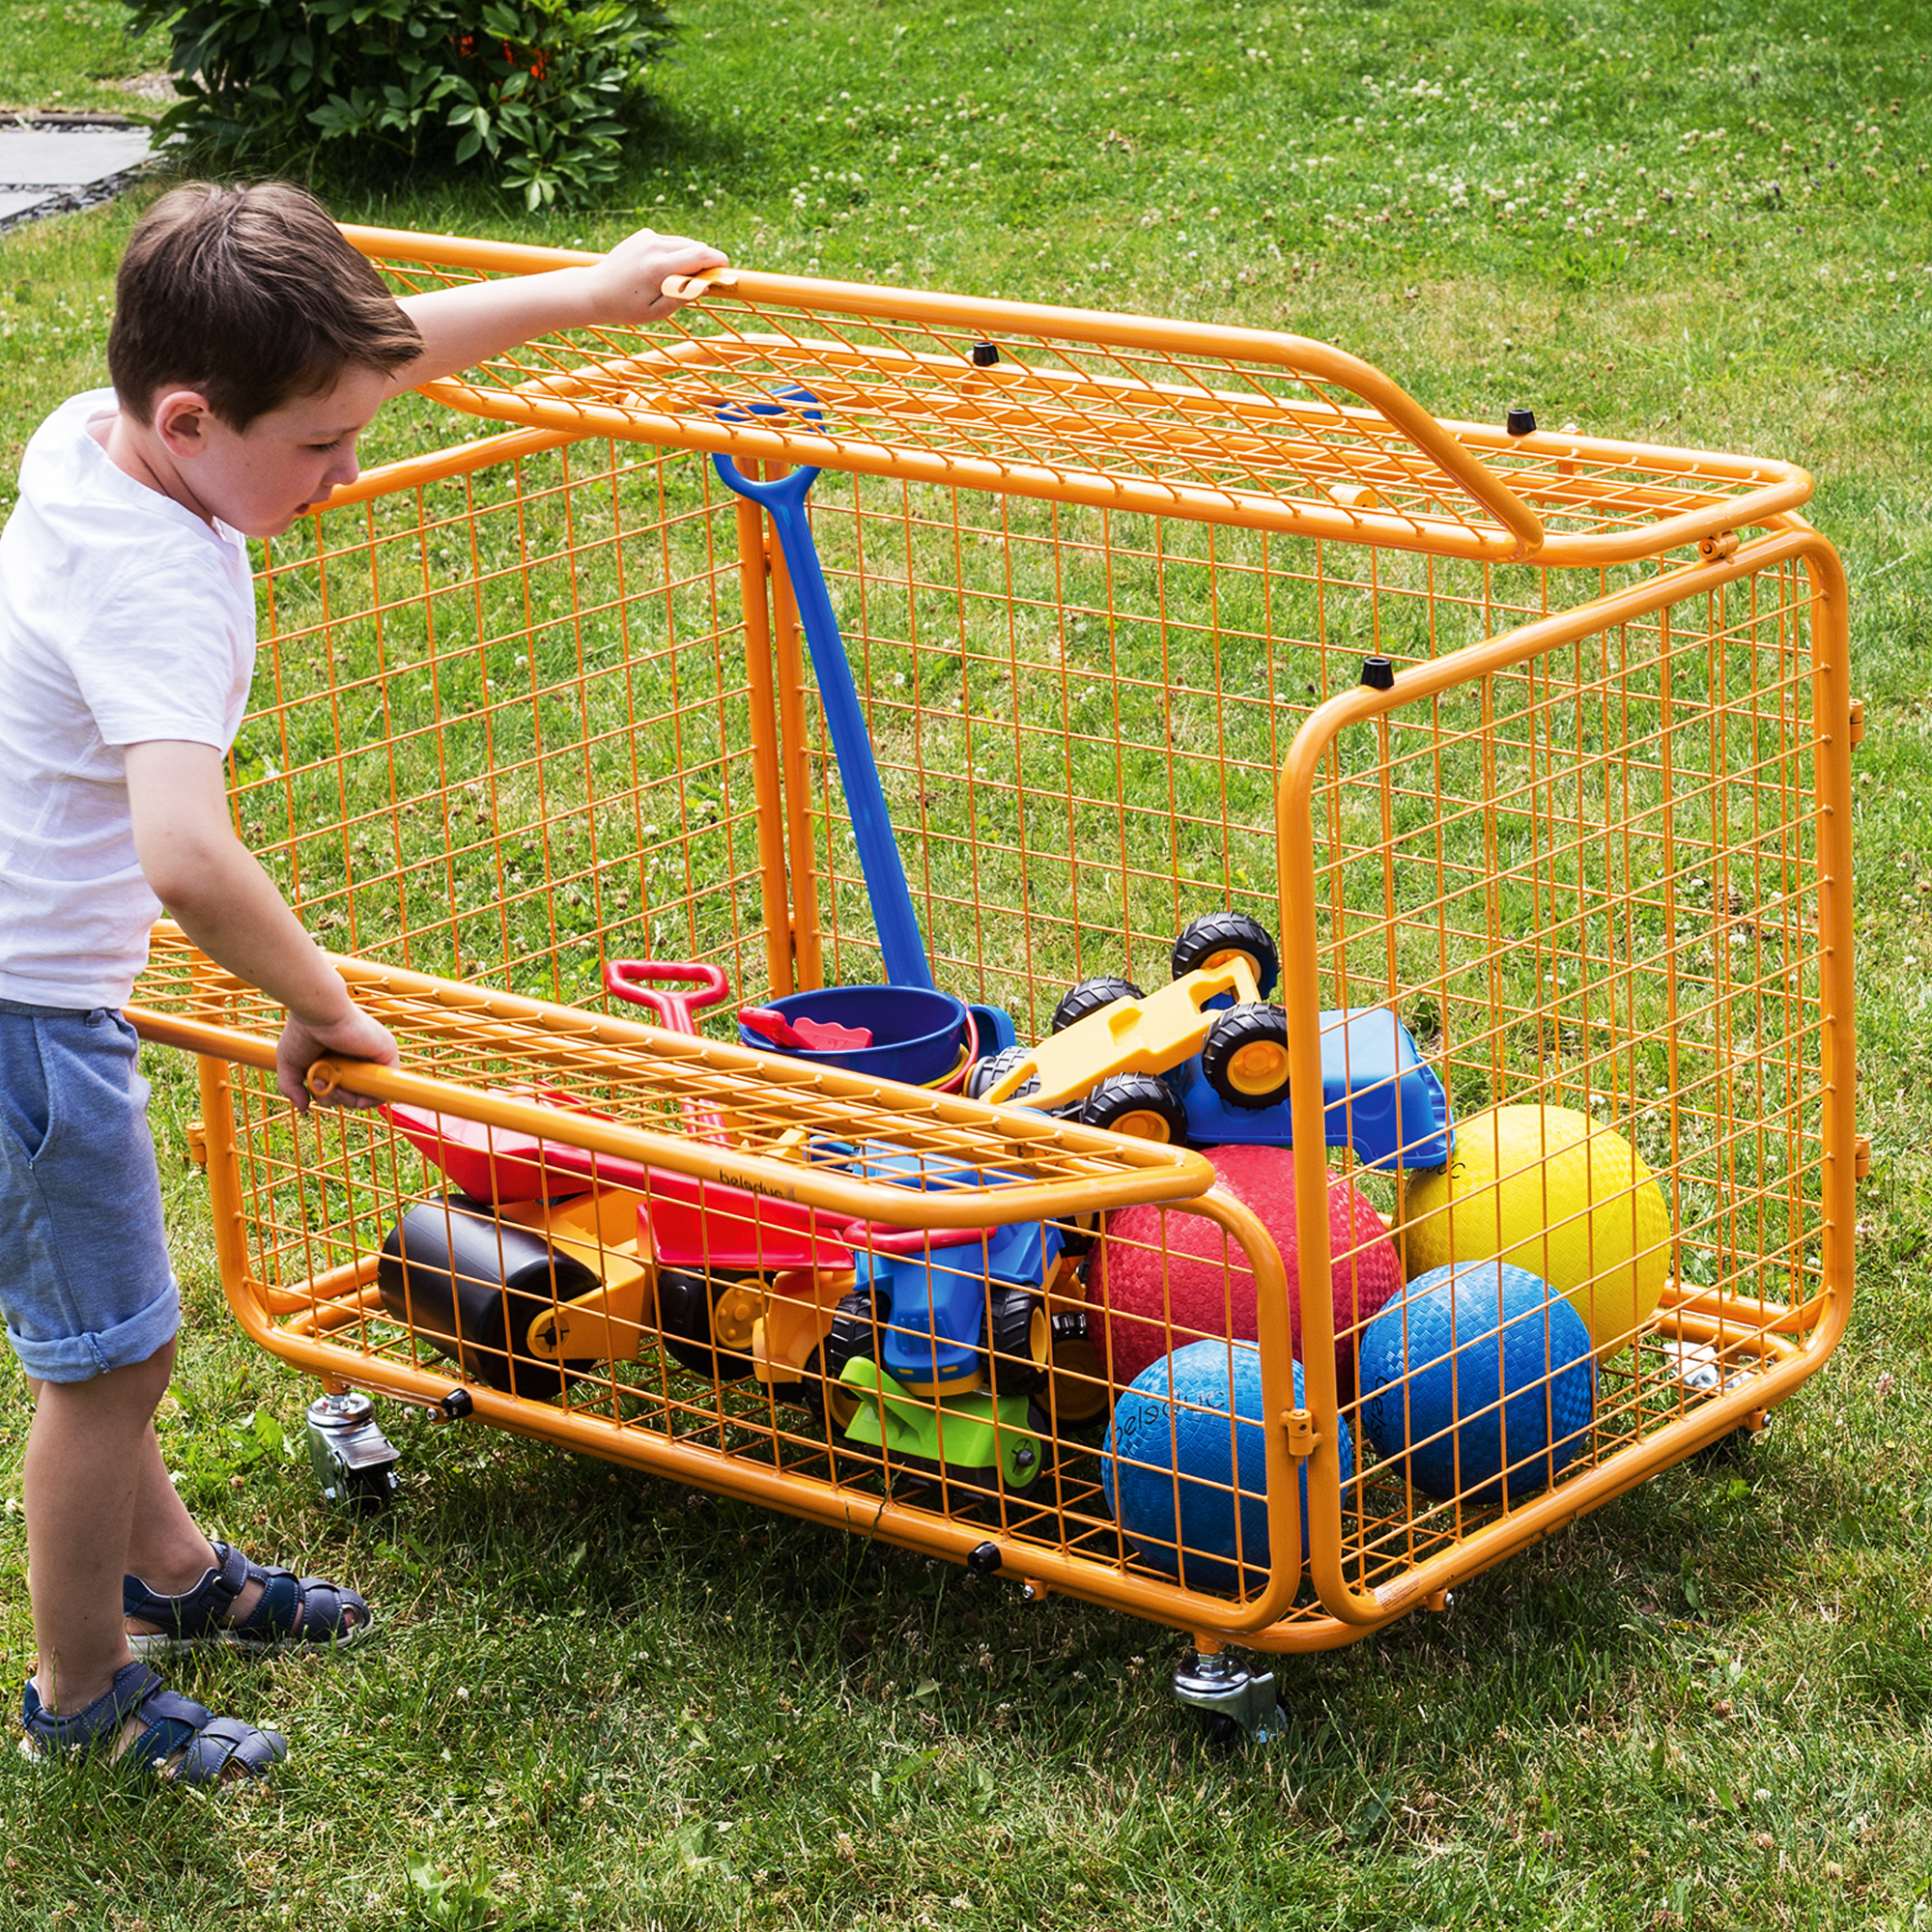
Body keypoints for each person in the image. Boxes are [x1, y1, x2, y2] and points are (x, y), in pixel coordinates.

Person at [0, 181, 724, 1783]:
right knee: (105, 1364)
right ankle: (79, 1690)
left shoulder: (99, 436)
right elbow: (187, 855)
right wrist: (324, 1006)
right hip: (24, 1020)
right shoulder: (154, 586)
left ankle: (167, 1571)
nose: (348, 469)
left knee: (112, 1339)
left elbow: (378, 355)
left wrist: (585, 292)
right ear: (191, 422)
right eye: (320, 448)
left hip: (30, 986)